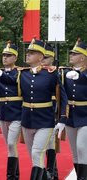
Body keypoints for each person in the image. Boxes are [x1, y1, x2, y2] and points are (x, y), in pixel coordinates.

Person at [19, 39, 68, 179]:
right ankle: (46, 176)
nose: (28, 55)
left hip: (45, 121)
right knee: (34, 157)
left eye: (32, 53)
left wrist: (63, 117)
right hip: (27, 121)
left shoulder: (51, 74)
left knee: (37, 153)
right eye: (28, 52)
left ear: (41, 57)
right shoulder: (22, 74)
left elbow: (62, 97)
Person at [0, 41, 22, 180]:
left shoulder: (20, 73)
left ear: (15, 58)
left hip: (17, 112)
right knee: (10, 146)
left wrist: (0, 75)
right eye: (4, 55)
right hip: (3, 113)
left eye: (9, 55)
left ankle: (11, 176)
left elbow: (12, 81)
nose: (5, 58)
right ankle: (15, 175)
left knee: (11, 143)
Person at [59, 39, 87, 179]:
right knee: (75, 150)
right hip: (71, 115)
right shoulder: (65, 73)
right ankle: (80, 176)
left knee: (82, 147)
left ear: (82, 57)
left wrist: (81, 76)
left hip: (85, 115)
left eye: (74, 54)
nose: (71, 55)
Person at [41, 43, 59, 179]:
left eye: (46, 58)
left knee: (51, 140)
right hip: (38, 110)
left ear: (52, 59)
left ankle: (51, 171)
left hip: (52, 107)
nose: (43, 60)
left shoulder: (55, 73)